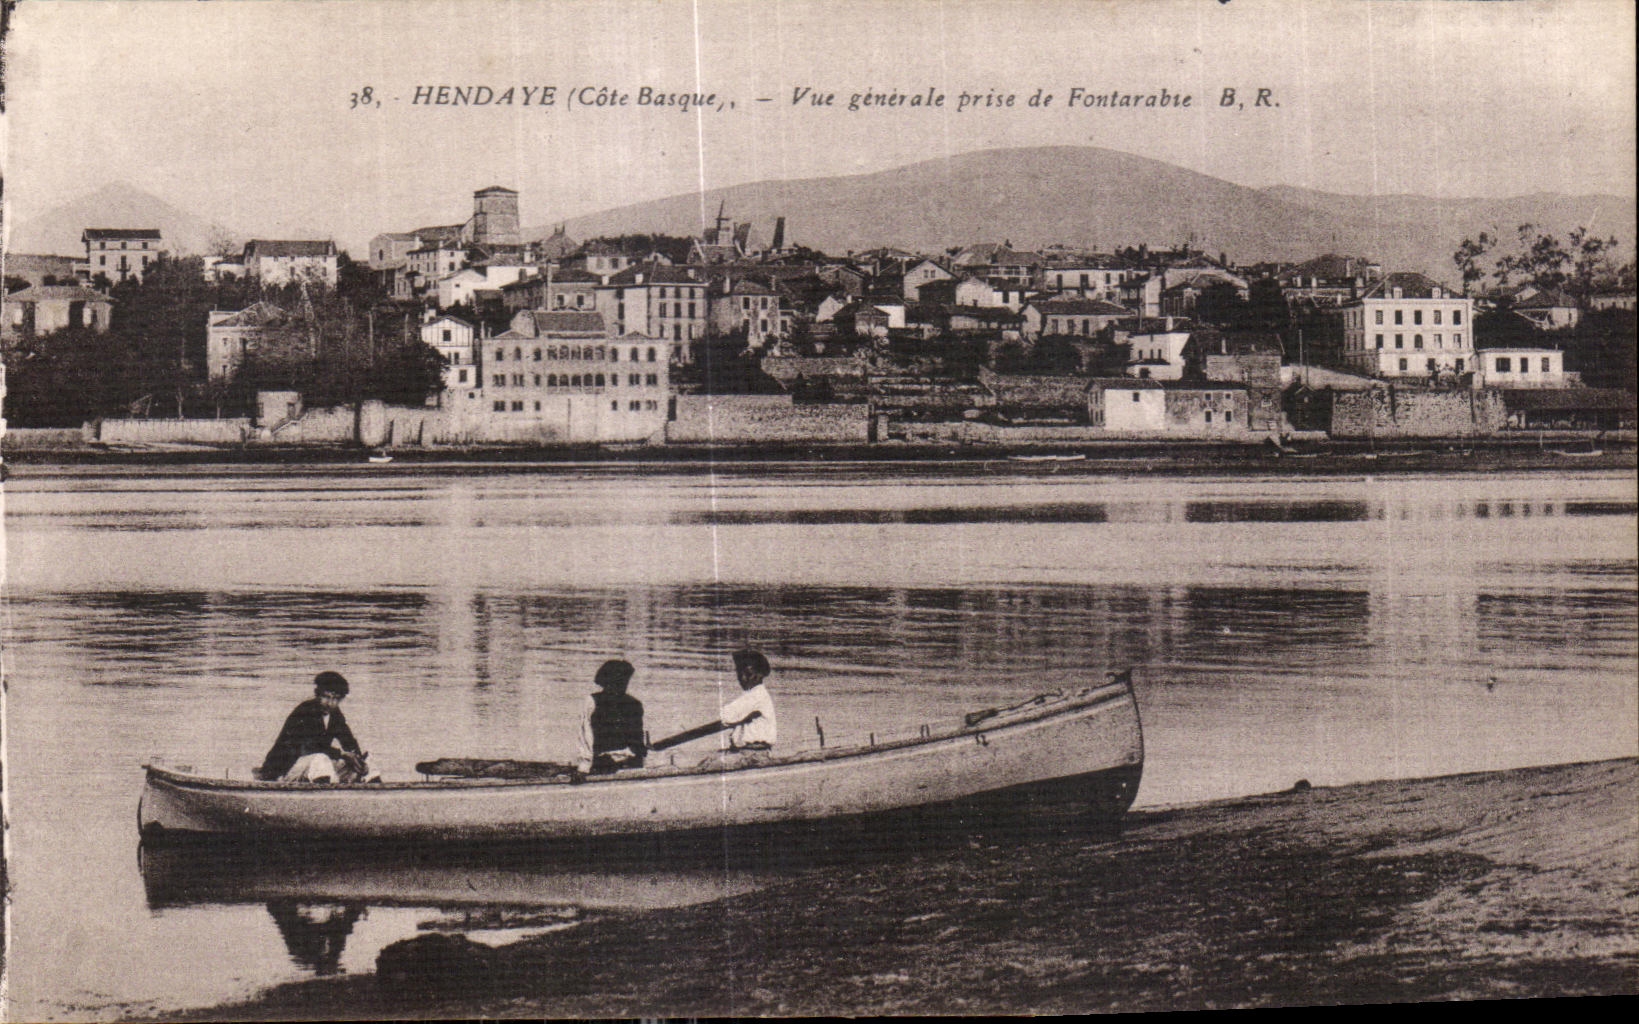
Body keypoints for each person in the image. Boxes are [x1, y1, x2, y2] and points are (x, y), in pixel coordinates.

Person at [258, 671, 378, 783]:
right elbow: (310, 748)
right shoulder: (305, 711)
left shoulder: (335, 714)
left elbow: (348, 740)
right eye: (327, 697)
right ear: (318, 695)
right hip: (285, 770)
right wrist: (343, 754)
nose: (331, 703)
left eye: (336, 698)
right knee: (321, 760)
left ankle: (378, 797)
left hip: (311, 767)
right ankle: (326, 799)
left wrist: (357, 757)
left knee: (367, 763)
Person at [575, 659, 647, 774]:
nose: (624, 685)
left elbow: (638, 741)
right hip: (603, 763)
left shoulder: (634, 704)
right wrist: (584, 767)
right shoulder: (592, 701)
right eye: (620, 681)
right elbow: (585, 735)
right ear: (608, 681)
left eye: (625, 681)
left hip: (630, 762)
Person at [719, 648, 776, 753]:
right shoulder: (753, 695)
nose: (742, 678)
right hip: (746, 751)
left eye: (748, 674)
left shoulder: (756, 696)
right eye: (739, 673)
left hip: (753, 753)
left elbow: (726, 716)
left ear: (759, 675)